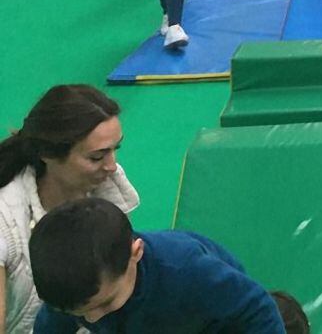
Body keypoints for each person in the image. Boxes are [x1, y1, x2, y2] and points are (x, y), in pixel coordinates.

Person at [30, 198, 285, 333]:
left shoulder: (188, 271)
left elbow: (258, 310)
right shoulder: (74, 286)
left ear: (136, 253)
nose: (91, 318)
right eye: (79, 313)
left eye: (105, 303)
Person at [0, 85, 138, 333]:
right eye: (97, 157)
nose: (111, 166)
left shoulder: (108, 189)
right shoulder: (4, 219)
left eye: (114, 150)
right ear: (48, 154)